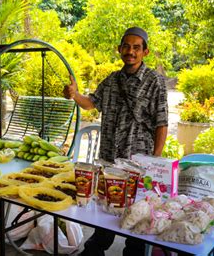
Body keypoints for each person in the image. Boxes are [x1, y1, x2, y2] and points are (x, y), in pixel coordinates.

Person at [63, 27, 168, 255]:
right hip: (109, 161)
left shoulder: (155, 82)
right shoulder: (111, 80)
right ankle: (94, 250)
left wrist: (154, 162)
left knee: (136, 217)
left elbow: (162, 123)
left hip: (138, 164)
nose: (130, 51)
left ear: (145, 52)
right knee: (105, 211)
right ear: (120, 50)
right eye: (127, 47)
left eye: (136, 48)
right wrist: (74, 94)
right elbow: (91, 103)